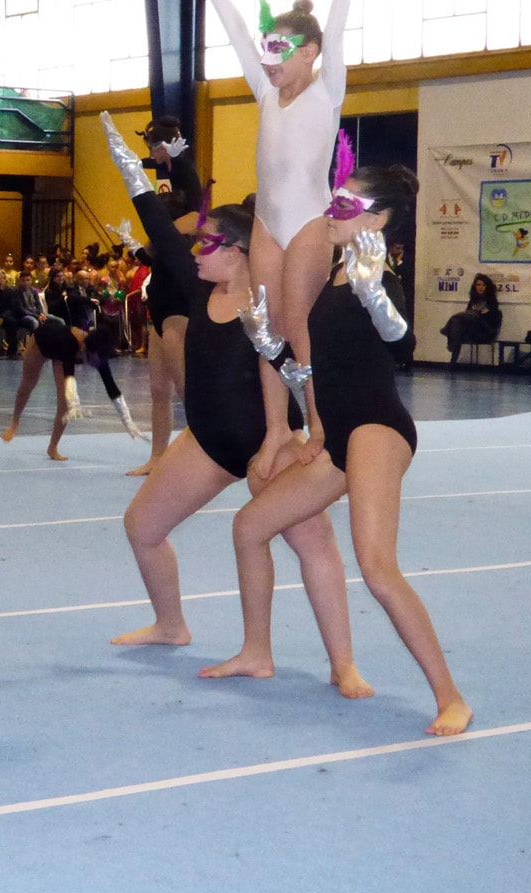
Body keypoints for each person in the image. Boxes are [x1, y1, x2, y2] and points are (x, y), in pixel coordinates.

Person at [100, 118, 367, 695]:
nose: (195, 249)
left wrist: (300, 435)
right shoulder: (201, 291)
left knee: (314, 543)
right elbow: (160, 232)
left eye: (208, 242)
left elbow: (306, 371)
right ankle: (171, 624)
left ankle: (341, 664)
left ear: (241, 251)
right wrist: (129, 167)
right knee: (142, 526)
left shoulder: (276, 304)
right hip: (208, 441)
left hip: (266, 443)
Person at [219, 165, 472, 736]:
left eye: (345, 204)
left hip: (378, 429)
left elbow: (402, 344)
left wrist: (374, 290)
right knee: (250, 526)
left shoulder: (377, 273)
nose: (332, 212)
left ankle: (451, 696)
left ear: (377, 220)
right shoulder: (335, 273)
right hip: (337, 437)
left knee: (378, 569)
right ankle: (257, 651)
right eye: (335, 199)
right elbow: (321, 367)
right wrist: (269, 347)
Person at [194, 0, 375, 465]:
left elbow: (338, 35)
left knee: (300, 327)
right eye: (267, 52)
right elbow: (236, 36)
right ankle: (278, 429)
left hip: (306, 224)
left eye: (280, 52)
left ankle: (320, 428)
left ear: (310, 53)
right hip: (267, 224)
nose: (268, 61)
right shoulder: (265, 92)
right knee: (265, 328)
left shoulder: (327, 91)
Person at [105, 116, 201, 476]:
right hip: (159, 289)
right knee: (158, 387)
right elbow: (153, 242)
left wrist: (162, 233)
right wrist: (138, 245)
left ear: (170, 145)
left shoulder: (185, 171)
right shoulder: (163, 173)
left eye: (155, 149)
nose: (152, 156)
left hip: (180, 289)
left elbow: (198, 216)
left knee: (183, 385)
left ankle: (202, 452)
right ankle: (159, 456)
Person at [0, 317, 145, 461]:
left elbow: (111, 387)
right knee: (28, 385)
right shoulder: (68, 342)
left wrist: (128, 422)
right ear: (84, 349)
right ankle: (15, 421)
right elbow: (70, 377)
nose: (92, 363)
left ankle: (52, 447)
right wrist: (75, 404)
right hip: (41, 343)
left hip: (62, 354)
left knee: (64, 403)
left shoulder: (97, 350)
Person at [440, 273, 501, 363]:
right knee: (457, 325)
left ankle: (448, 335)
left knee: (469, 317)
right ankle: (453, 361)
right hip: (472, 330)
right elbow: (466, 317)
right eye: (478, 285)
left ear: (487, 287)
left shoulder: (492, 302)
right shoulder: (473, 301)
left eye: (483, 285)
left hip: (484, 332)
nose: (480, 287)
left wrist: (478, 313)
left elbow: (490, 321)